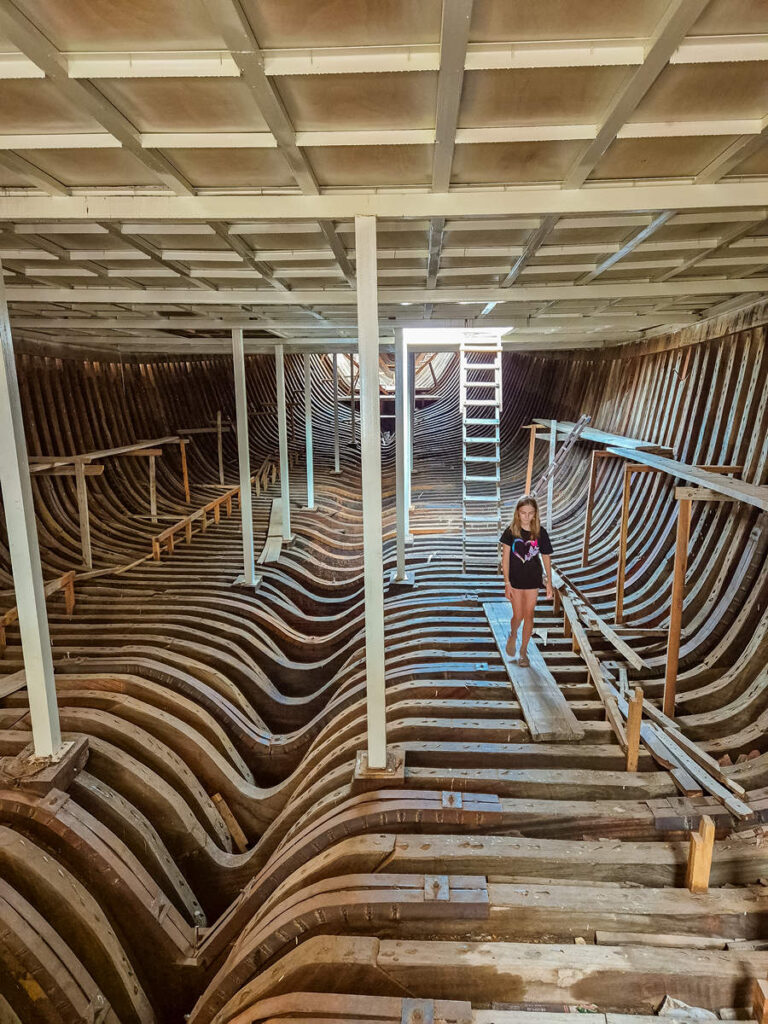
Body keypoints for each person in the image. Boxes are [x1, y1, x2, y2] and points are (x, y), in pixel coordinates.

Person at [500, 495, 553, 667]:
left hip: (533, 579)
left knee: (529, 614)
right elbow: (505, 559)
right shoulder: (510, 532)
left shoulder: (540, 533)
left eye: (530, 513)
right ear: (517, 513)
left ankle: (523, 651)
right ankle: (513, 634)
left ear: (535, 514)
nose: (527, 517)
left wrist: (549, 583)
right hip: (515, 580)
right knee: (518, 615)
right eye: (523, 513)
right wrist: (506, 583)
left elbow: (546, 557)